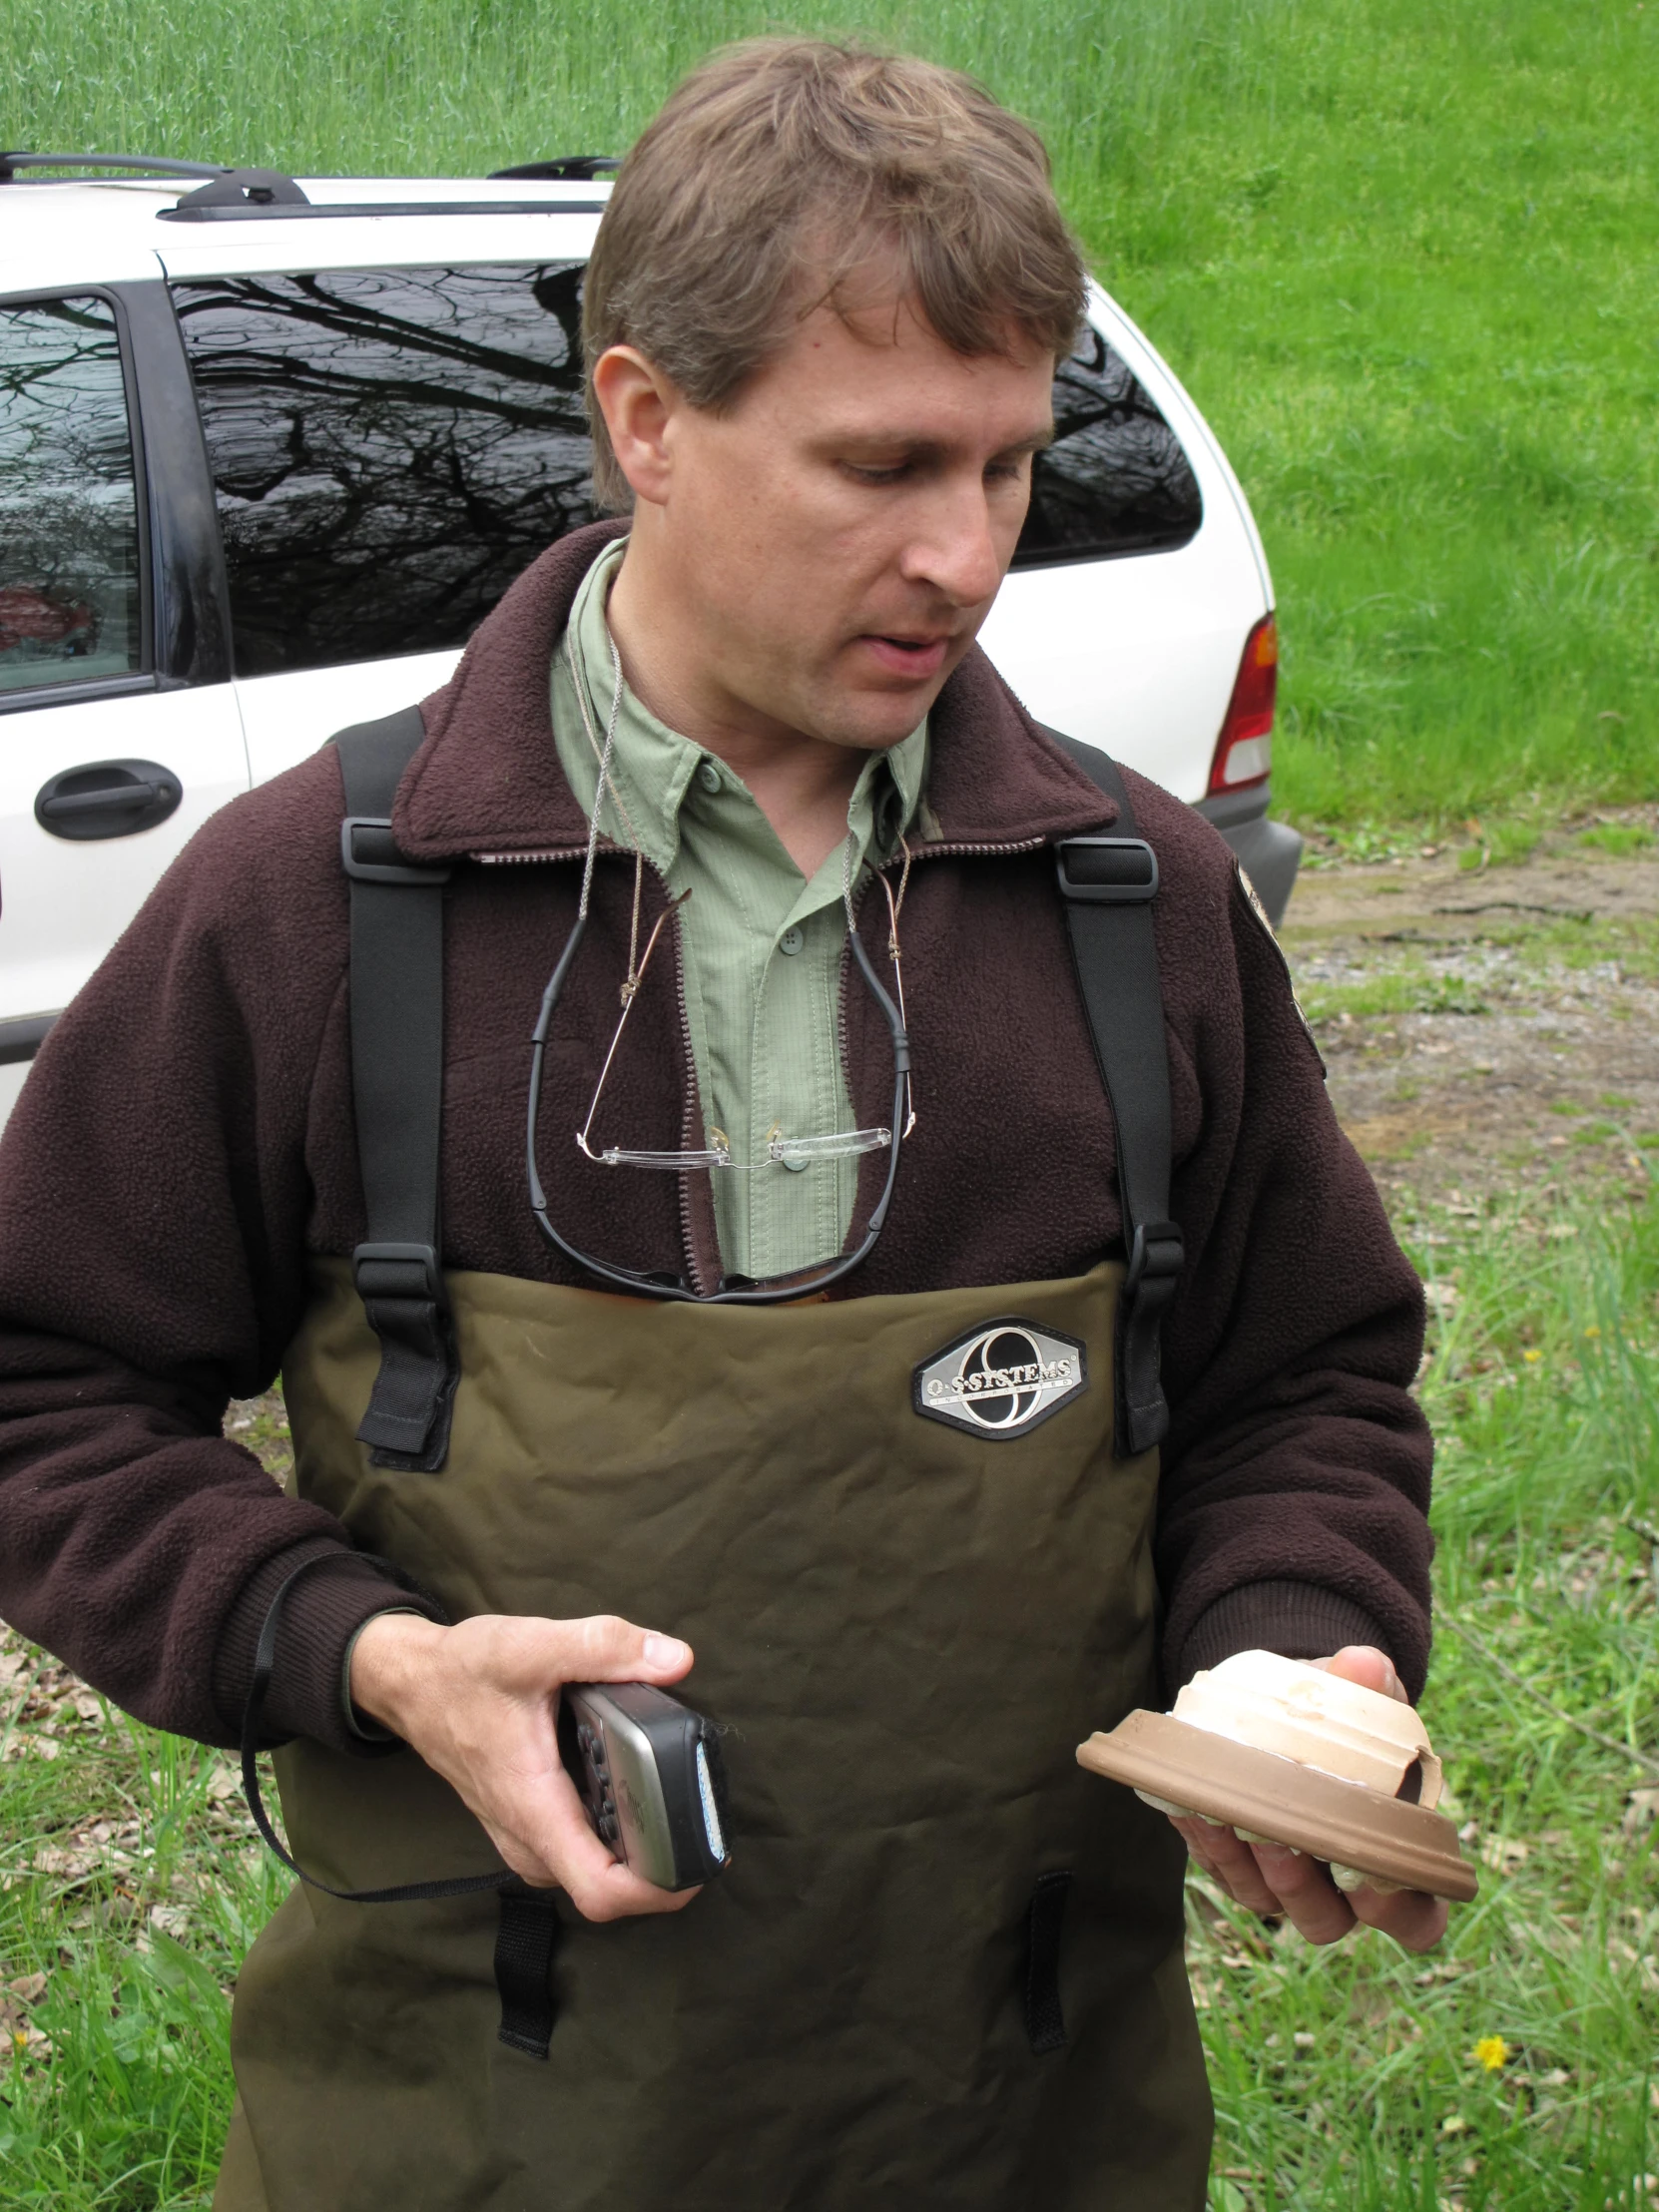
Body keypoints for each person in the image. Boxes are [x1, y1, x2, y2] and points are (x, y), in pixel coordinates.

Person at [0, 41, 1439, 2212]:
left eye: (1009, 467)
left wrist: (1289, 1630)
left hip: (1026, 2104)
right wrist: (363, 1652)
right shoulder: (317, 903)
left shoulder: (1141, 911)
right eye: (879, 466)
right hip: (473, 2112)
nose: (963, 556)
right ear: (646, 419)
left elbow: (1306, 1371)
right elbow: (38, 1379)